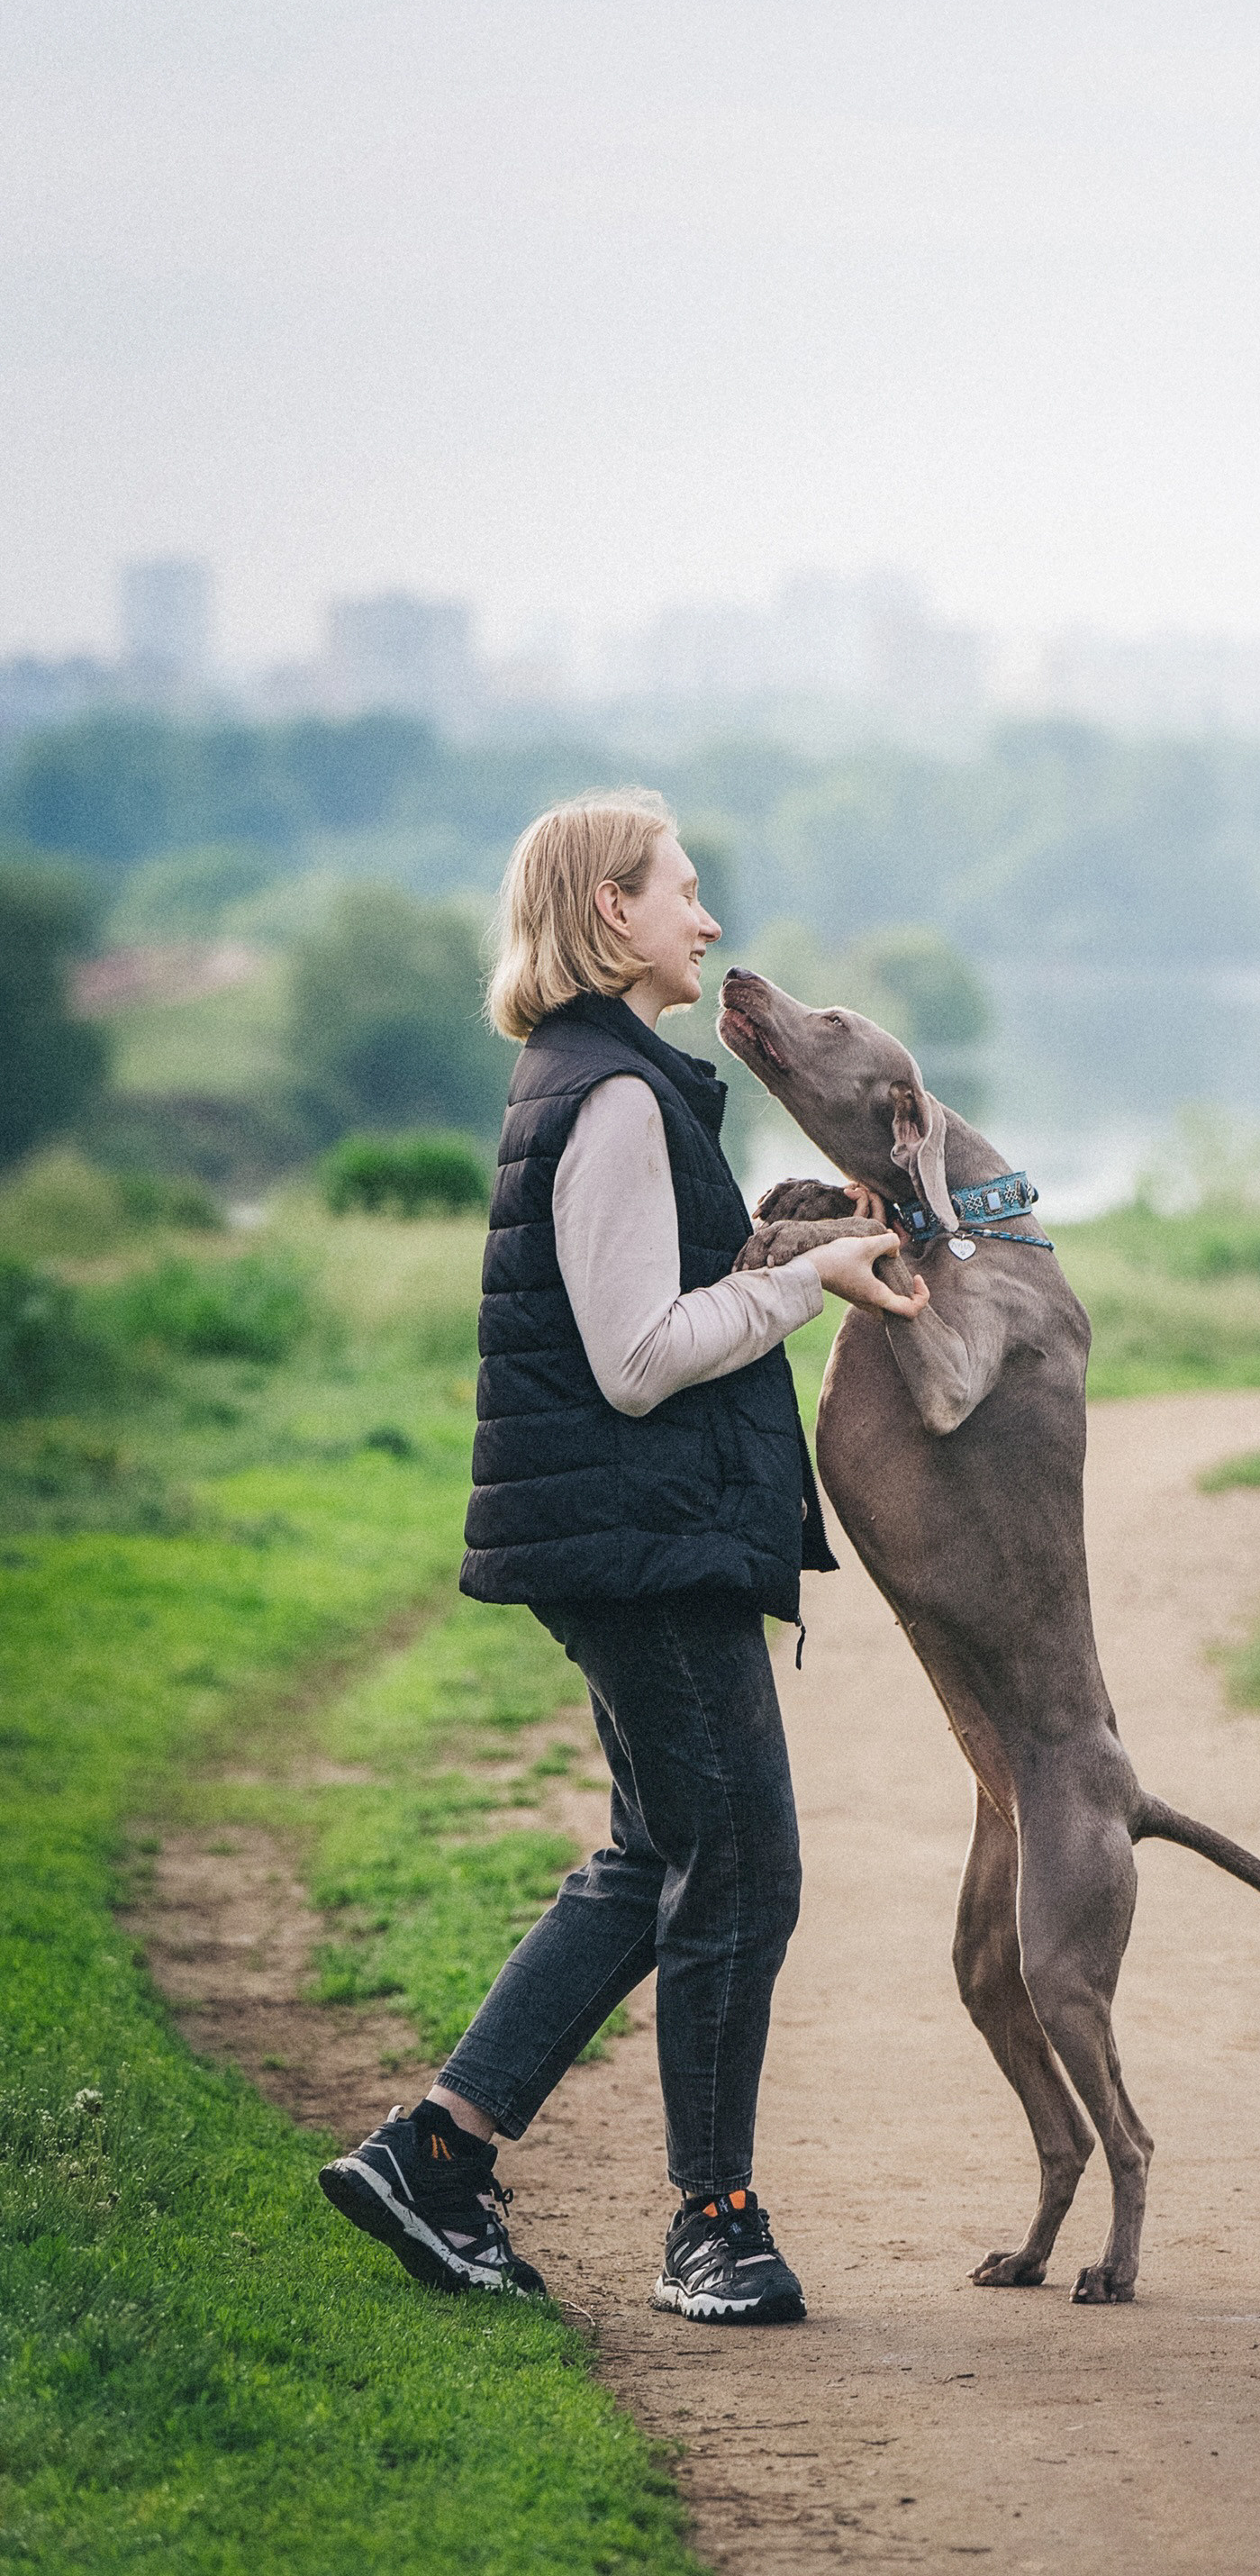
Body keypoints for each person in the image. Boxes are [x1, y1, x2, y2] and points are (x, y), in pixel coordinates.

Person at [319, 788, 926, 2322]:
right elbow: (641, 1360)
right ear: (611, 914)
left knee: (658, 1855)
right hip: (641, 1548)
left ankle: (435, 2154)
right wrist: (811, 1291)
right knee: (744, 1870)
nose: (706, 924)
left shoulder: (610, 1085)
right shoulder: (607, 1098)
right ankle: (711, 2225)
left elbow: (650, 1298)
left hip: (637, 1538)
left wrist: (786, 1247)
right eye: (684, 893)